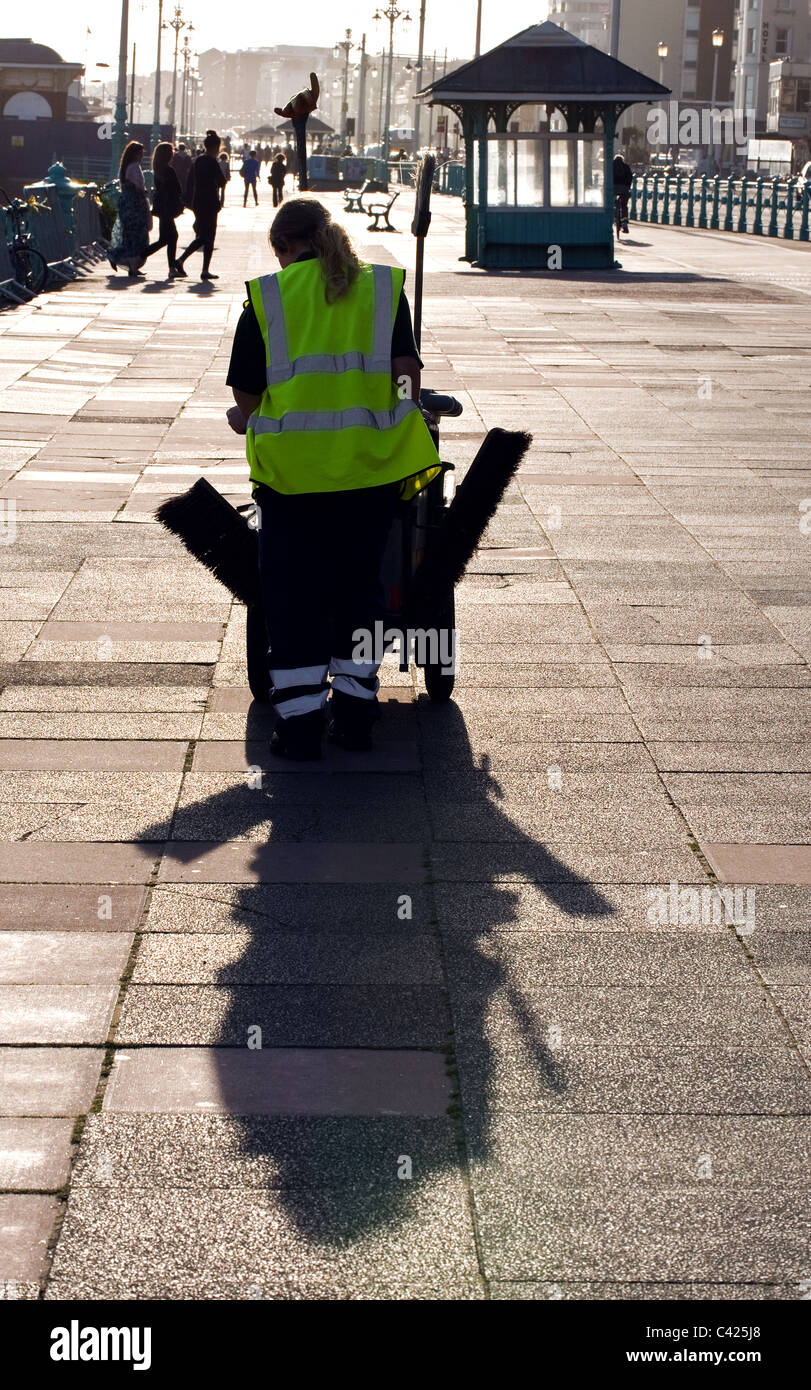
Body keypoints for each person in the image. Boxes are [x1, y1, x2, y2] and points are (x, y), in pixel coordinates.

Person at [225, 197, 441, 761]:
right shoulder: (382, 291)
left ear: (284, 248)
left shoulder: (267, 299)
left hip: (291, 481)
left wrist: (244, 418)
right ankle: (355, 716)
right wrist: (396, 410)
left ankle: (298, 727)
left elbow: (248, 396)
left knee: (291, 597)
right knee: (360, 589)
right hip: (368, 474)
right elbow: (405, 377)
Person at [175, 129, 227, 281]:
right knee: (208, 236)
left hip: (198, 201)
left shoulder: (197, 160)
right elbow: (222, 181)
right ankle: (198, 267)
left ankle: (186, 262)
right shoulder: (212, 161)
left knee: (202, 235)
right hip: (210, 202)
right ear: (216, 147)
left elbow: (189, 180)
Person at [109, 141, 151, 279]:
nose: (142, 156)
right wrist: (144, 192)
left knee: (130, 235)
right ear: (135, 154)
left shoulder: (126, 167)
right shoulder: (134, 168)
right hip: (134, 206)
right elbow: (137, 186)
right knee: (137, 235)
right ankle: (119, 258)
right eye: (140, 153)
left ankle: (132, 266)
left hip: (128, 204)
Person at [145, 141, 186, 278]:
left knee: (166, 238)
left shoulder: (158, 170)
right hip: (168, 207)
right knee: (171, 237)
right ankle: (140, 255)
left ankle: (171, 267)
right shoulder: (169, 170)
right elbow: (177, 188)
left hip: (162, 207)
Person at [613, 153, 634, 232]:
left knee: (611, 203)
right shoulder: (626, 166)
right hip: (624, 189)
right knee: (624, 205)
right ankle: (624, 222)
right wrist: (627, 187)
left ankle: (613, 217)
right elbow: (630, 178)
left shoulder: (611, 165)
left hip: (613, 188)